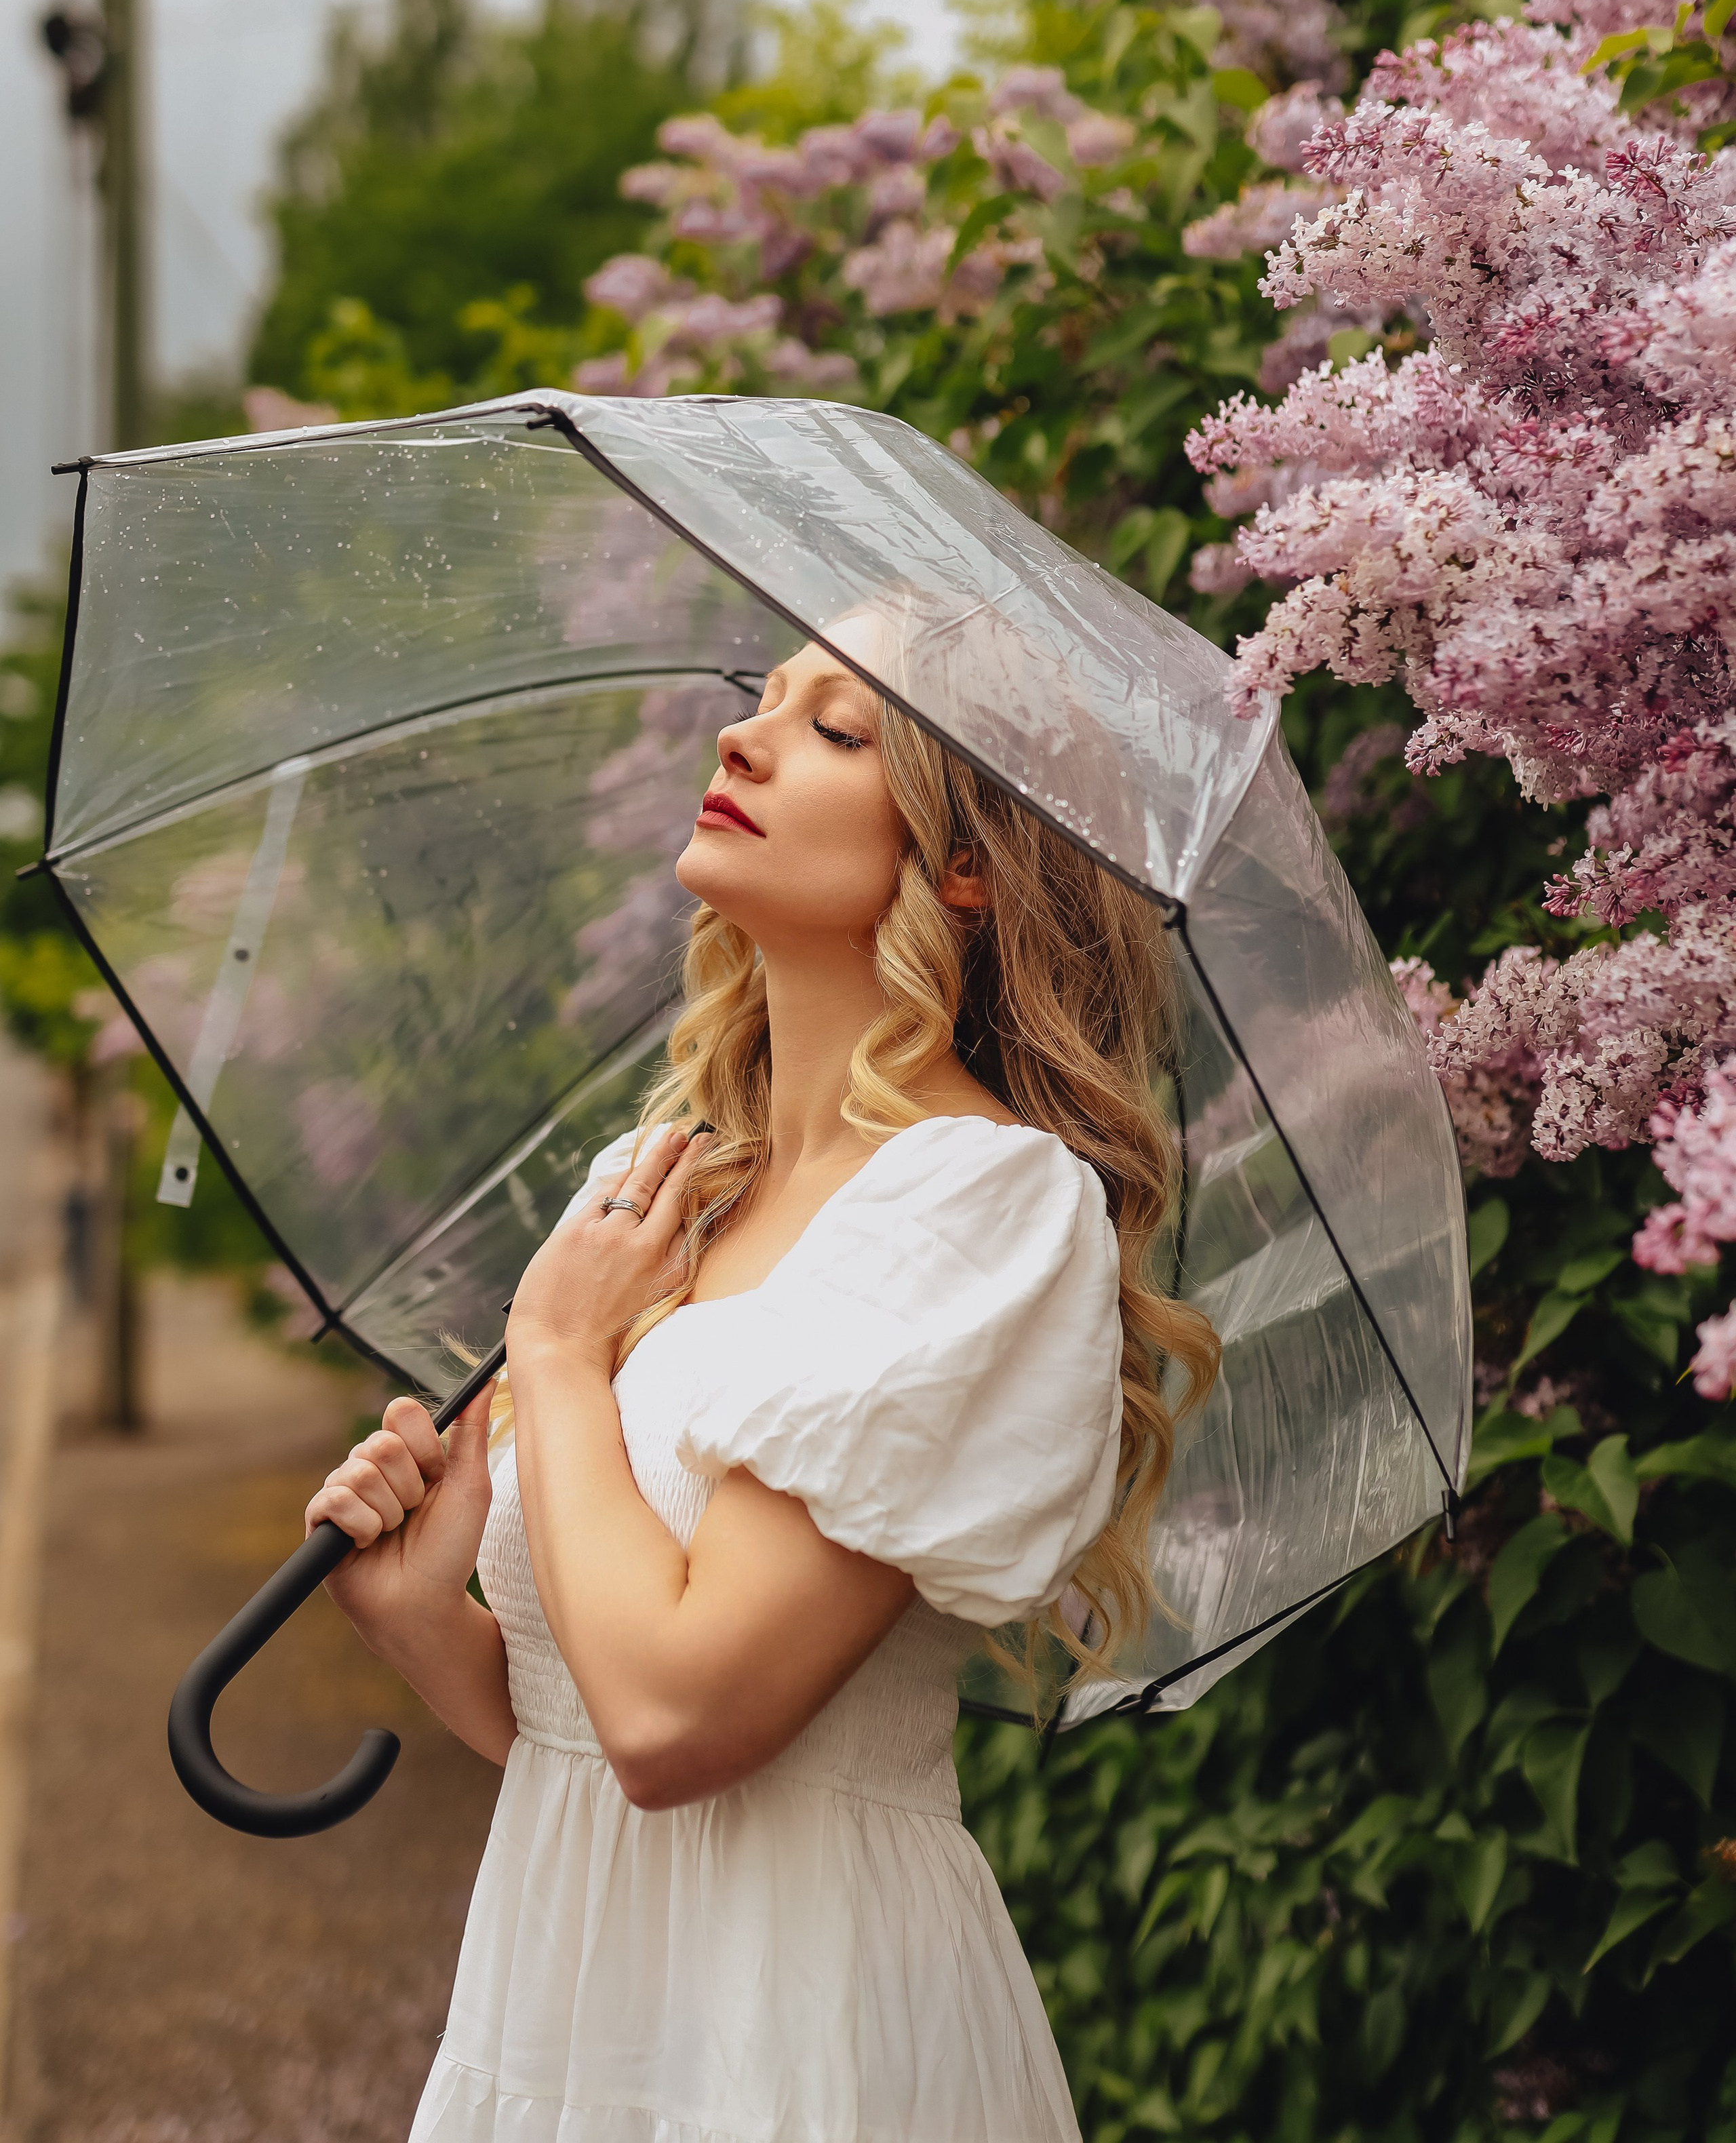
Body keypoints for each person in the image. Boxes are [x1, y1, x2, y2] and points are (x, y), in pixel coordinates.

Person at [307, 627, 1220, 2143]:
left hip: (800, 2029)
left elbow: (677, 1723)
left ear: (967, 866)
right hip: (564, 2001)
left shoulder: (980, 1207)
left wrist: (558, 1357)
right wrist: (421, 1621)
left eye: (837, 731)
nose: (741, 740)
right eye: (761, 705)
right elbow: (583, 1732)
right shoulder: (656, 1187)